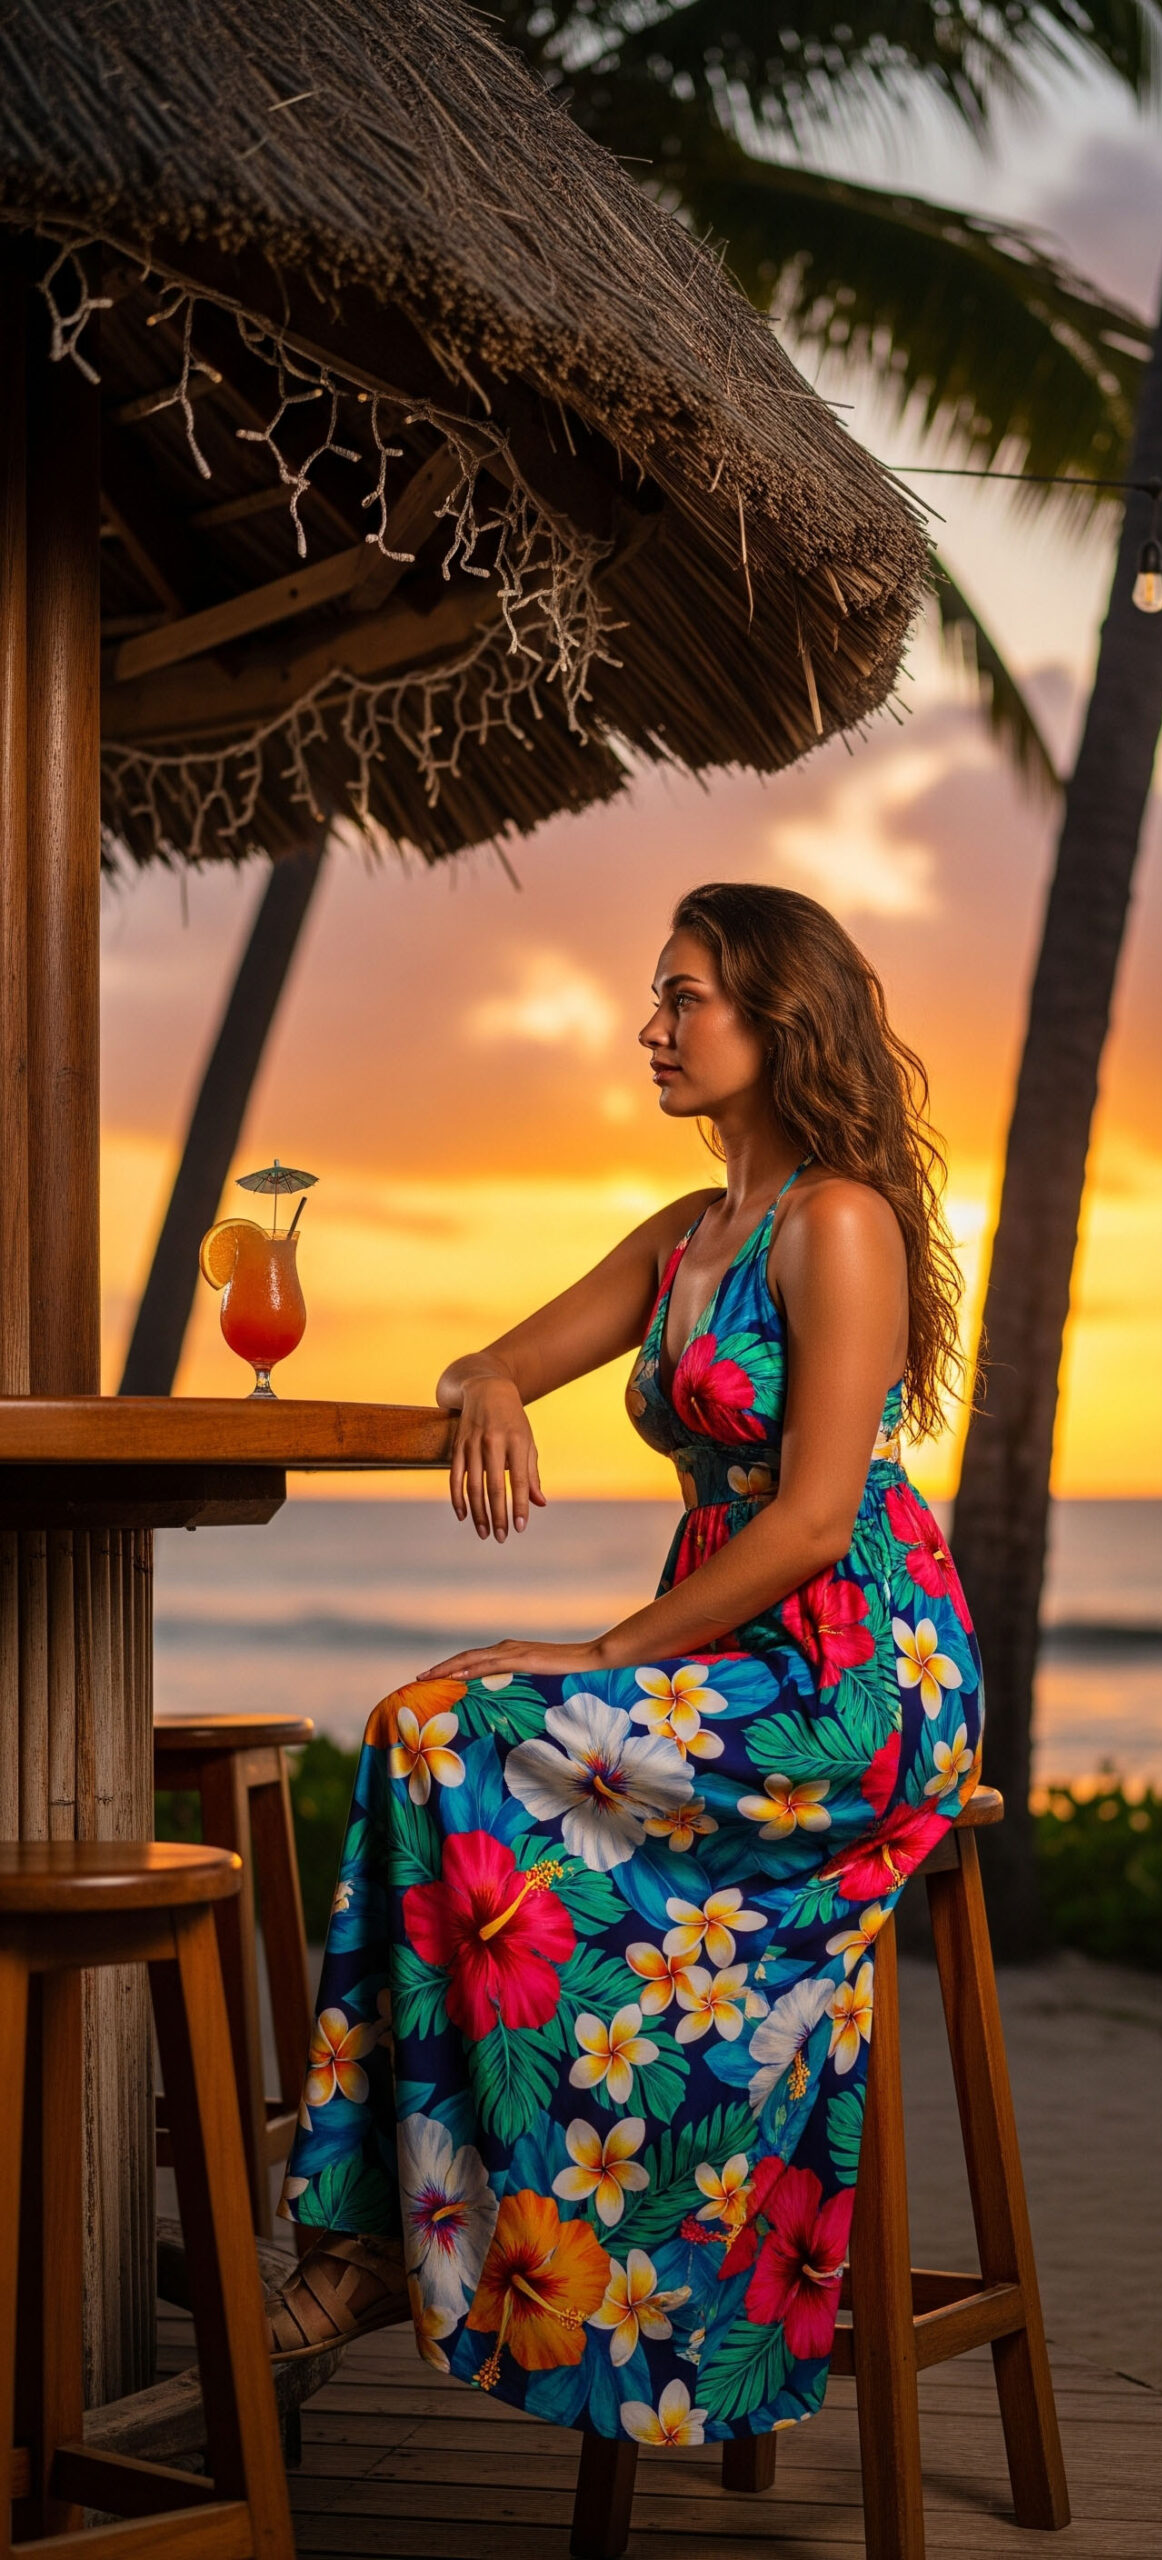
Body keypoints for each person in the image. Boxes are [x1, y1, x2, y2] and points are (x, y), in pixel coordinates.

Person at [270, 880, 983, 2448]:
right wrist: (491, 1391)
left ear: (777, 1019)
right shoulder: (688, 1237)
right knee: (420, 1729)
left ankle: (406, 2237)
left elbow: (806, 1524)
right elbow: (492, 1355)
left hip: (855, 1672)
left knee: (451, 1734)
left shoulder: (836, 1221)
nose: (650, 1029)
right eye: (653, 996)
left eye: (685, 999)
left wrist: (592, 1649)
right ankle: (379, 2233)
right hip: (727, 1647)